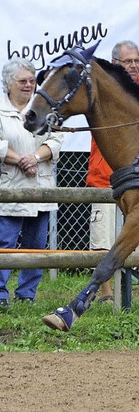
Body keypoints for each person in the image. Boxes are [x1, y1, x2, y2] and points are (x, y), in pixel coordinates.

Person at [89, 40, 139, 304]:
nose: (134, 65)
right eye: (128, 61)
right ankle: (105, 292)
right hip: (105, 175)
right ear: (115, 64)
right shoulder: (103, 87)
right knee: (103, 237)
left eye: (136, 60)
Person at [0, 58, 64, 308]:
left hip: (41, 185)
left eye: (32, 80)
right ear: (8, 82)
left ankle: (27, 294)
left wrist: (35, 157)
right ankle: (0, 294)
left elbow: (57, 138)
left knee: (36, 243)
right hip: (9, 186)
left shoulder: (45, 106)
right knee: (5, 242)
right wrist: (19, 160)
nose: (29, 85)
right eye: (22, 81)